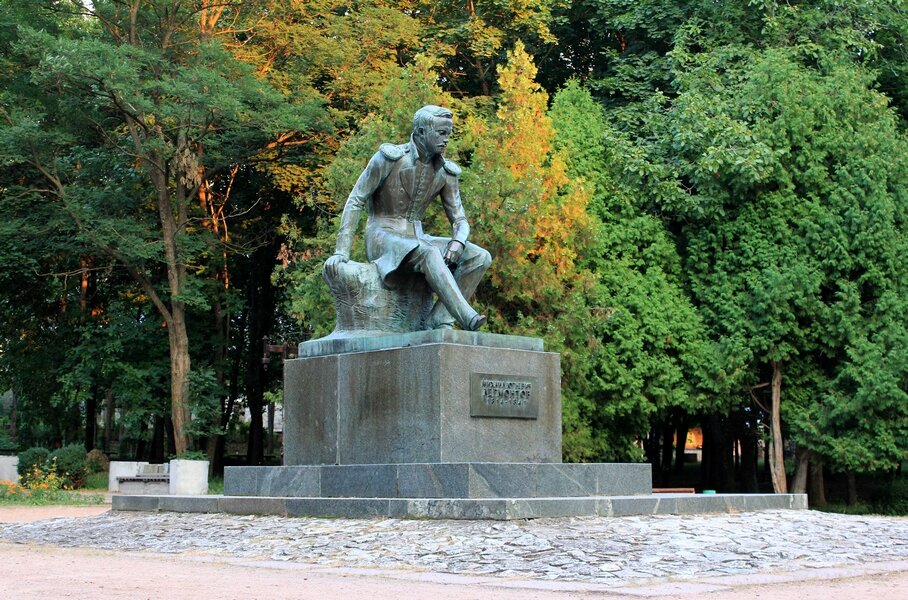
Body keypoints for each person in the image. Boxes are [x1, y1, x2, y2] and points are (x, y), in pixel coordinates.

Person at [325, 105, 491, 331]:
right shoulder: (389, 159)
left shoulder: (446, 172)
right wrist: (341, 251)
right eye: (441, 133)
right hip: (382, 236)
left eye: (448, 134)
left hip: (417, 237)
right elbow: (356, 200)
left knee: (480, 257)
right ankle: (466, 316)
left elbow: (460, 220)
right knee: (428, 251)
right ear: (421, 132)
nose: (446, 140)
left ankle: (439, 319)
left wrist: (458, 242)